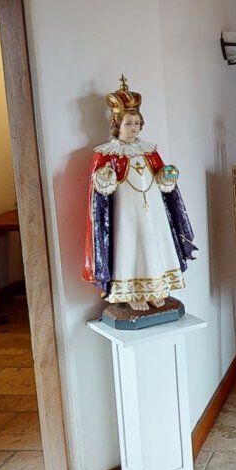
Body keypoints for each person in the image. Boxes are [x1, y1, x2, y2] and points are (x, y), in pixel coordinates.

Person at [81, 76, 197, 312]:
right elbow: (100, 192)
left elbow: (163, 182)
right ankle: (132, 292)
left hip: (152, 209)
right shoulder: (107, 153)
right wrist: (104, 177)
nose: (133, 128)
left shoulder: (148, 150)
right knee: (129, 244)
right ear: (117, 124)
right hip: (126, 212)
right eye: (128, 123)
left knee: (154, 242)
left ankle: (156, 288)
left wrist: (167, 176)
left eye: (136, 123)